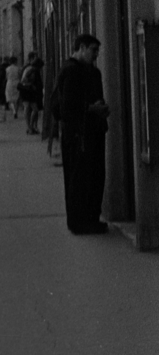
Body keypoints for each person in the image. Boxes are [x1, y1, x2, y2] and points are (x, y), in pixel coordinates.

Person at [52, 34, 109, 235]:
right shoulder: (71, 71)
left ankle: (91, 218)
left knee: (94, 177)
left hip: (91, 132)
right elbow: (65, 108)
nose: (96, 55)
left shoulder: (91, 72)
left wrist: (99, 107)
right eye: (93, 50)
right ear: (81, 48)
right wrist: (92, 109)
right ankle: (79, 222)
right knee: (80, 179)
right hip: (78, 135)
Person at [19, 52, 43, 134]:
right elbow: (23, 80)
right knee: (32, 109)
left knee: (31, 109)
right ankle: (30, 127)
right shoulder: (31, 69)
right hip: (28, 91)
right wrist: (32, 85)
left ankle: (31, 127)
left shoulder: (28, 68)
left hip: (29, 91)